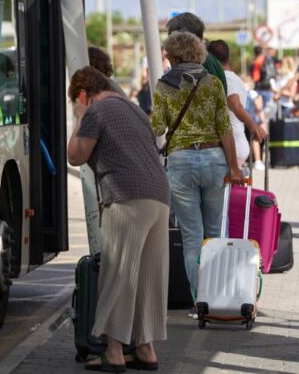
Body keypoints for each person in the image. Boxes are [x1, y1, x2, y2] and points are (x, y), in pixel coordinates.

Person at [67, 65, 170, 372]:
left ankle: (113, 353)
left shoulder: (96, 111)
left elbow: (75, 155)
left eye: (76, 101)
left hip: (126, 197)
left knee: (119, 274)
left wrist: (79, 116)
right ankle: (146, 349)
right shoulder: (135, 110)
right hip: (159, 196)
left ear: (83, 94)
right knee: (148, 277)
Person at [151, 31, 243, 308]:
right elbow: (224, 128)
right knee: (214, 232)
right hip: (214, 158)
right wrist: (234, 167)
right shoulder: (212, 82)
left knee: (191, 237)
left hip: (181, 160)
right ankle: (217, 299)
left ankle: (199, 302)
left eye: (168, 55)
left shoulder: (164, 85)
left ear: (175, 56)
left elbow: (158, 128)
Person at [206, 40, 267, 167]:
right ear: (228, 58)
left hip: (232, 146)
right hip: (233, 144)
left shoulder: (226, 79)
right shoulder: (233, 78)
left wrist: (253, 127)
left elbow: (236, 105)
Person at [165, 12, 227, 94]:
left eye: (172, 37)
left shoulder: (201, 65)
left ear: (185, 38)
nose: (169, 41)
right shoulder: (207, 60)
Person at [251, 46, 276, 119]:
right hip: (268, 88)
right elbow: (272, 74)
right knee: (267, 112)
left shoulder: (257, 61)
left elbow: (255, 77)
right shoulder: (268, 60)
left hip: (260, 88)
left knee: (260, 113)